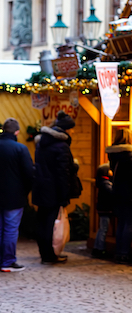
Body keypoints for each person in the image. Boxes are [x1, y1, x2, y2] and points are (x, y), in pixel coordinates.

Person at [33, 111, 76, 265]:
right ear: (65, 129)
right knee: (50, 223)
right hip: (54, 190)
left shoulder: (41, 142)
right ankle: (50, 256)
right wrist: (65, 195)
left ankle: (44, 253)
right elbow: (62, 173)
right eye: (71, 128)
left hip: (40, 188)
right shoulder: (62, 146)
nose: (73, 131)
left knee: (42, 222)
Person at [0, 118, 34, 272]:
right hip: (14, 196)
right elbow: (29, 174)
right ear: (17, 131)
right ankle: (7, 261)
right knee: (11, 229)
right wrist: (26, 191)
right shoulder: (20, 149)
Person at [106, 128, 132, 264]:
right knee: (129, 224)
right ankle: (124, 253)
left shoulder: (114, 154)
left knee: (121, 223)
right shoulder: (129, 154)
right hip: (130, 194)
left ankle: (118, 252)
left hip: (117, 192)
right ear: (130, 138)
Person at [91, 162, 113, 258]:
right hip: (105, 209)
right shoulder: (105, 183)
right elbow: (111, 192)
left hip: (102, 208)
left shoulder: (101, 182)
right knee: (103, 229)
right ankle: (101, 249)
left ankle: (96, 248)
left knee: (101, 229)